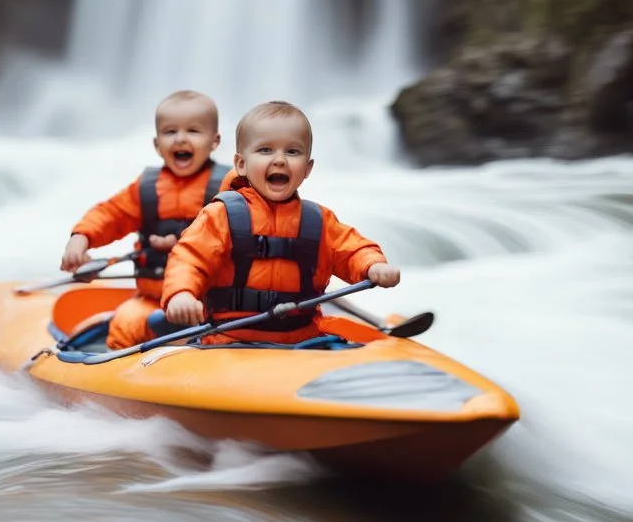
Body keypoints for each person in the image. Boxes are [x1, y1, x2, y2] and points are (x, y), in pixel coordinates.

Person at [162, 100, 400, 345]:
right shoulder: (220, 216)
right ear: (241, 164)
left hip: (302, 339)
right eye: (265, 150)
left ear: (307, 168)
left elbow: (352, 249)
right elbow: (188, 258)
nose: (280, 160)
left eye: (292, 152)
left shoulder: (319, 221)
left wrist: (373, 265)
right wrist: (181, 293)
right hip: (229, 339)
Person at [60, 90, 232, 350]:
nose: (181, 139)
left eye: (193, 131)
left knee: (216, 331)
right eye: (170, 132)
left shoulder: (228, 187)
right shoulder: (147, 189)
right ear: (156, 144)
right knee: (125, 324)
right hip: (151, 298)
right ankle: (120, 382)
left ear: (214, 141)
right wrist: (81, 238)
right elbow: (110, 214)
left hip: (207, 303)